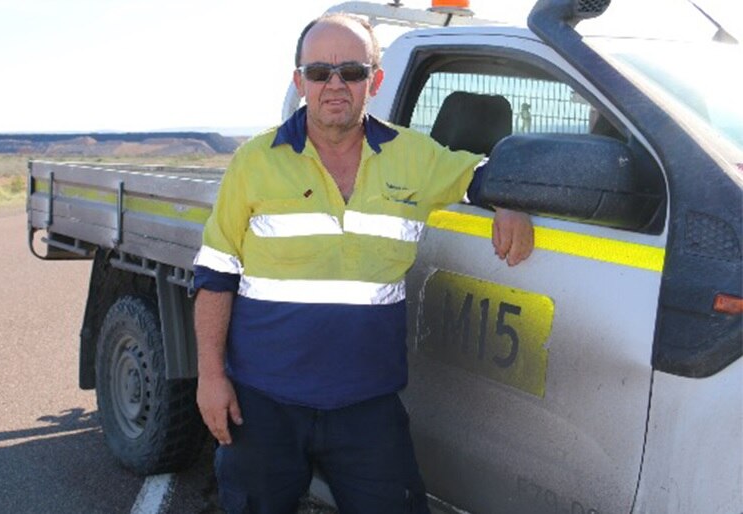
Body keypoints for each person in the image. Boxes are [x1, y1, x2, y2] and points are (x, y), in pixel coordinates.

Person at [192, 13, 534, 514]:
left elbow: (479, 174)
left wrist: (510, 198)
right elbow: (216, 274)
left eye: (351, 71)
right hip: (263, 404)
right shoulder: (254, 162)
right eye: (319, 72)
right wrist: (210, 376)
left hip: (367, 409)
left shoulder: (413, 157)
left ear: (374, 81)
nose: (335, 84)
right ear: (299, 81)